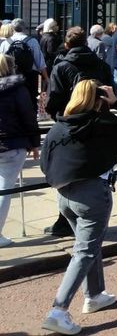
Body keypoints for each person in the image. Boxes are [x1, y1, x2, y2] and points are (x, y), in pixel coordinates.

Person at [39, 80, 117, 336]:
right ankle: (58, 310)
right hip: (92, 194)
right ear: (100, 99)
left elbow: (45, 164)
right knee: (84, 252)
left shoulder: (60, 126)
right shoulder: (102, 125)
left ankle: (95, 294)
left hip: (64, 194)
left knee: (89, 246)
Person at [0, 54, 40, 248]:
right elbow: (28, 117)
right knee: (4, 190)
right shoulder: (17, 89)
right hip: (11, 145)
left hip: (10, 143)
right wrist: (34, 143)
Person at [46, 27, 114, 119]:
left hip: (70, 118)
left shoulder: (60, 68)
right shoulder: (103, 66)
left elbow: (53, 100)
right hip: (98, 118)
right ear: (86, 43)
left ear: (66, 45)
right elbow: (111, 93)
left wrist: (61, 119)